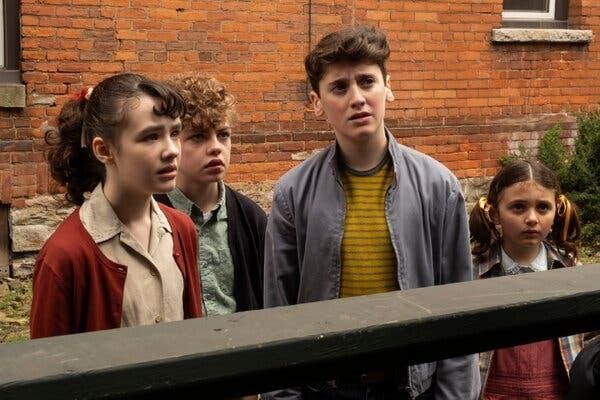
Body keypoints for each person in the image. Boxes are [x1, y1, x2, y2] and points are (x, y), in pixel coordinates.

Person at [263, 25, 479, 399]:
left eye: (367, 82)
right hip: (326, 389)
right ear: (316, 102)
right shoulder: (292, 194)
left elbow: (460, 306)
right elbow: (277, 311)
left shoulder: (438, 186)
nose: (358, 98)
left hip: (410, 388)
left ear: (388, 87)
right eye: (339, 87)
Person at [30, 73, 202, 338]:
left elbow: (194, 334)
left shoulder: (182, 229)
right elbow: (48, 358)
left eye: (175, 133)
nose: (172, 150)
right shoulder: (65, 254)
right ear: (104, 150)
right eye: (151, 136)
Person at [470, 160, 582, 399]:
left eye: (542, 207)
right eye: (518, 207)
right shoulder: (472, 274)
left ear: (557, 210)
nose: (531, 218)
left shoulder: (570, 270)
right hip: (491, 391)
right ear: (495, 212)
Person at [155, 74, 267, 315]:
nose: (216, 147)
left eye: (223, 134)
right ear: (172, 142)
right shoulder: (150, 216)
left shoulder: (251, 217)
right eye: (198, 136)